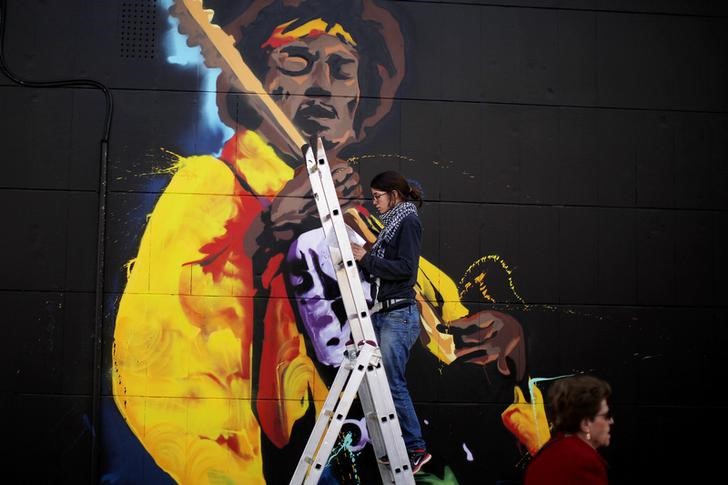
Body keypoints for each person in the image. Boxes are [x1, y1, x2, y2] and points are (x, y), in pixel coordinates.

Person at [111, 1, 526, 483]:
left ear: (360, 101)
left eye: (342, 68)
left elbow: (432, 332)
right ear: (256, 85)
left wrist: (490, 342)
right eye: (296, 60)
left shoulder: (364, 218)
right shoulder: (212, 184)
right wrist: (270, 231)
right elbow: (162, 344)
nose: (322, 83)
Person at [350, 171, 430, 473]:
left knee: (393, 383)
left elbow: (406, 269)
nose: (374, 203)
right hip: (387, 312)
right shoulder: (393, 225)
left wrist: (365, 259)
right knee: (384, 383)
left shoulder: (407, 222)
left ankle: (416, 449)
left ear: (393, 195)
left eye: (378, 196)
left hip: (399, 314)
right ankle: (405, 448)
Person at [524, 375, 614, 485]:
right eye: (606, 415)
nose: (611, 421)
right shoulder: (584, 463)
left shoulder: (546, 454)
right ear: (585, 423)